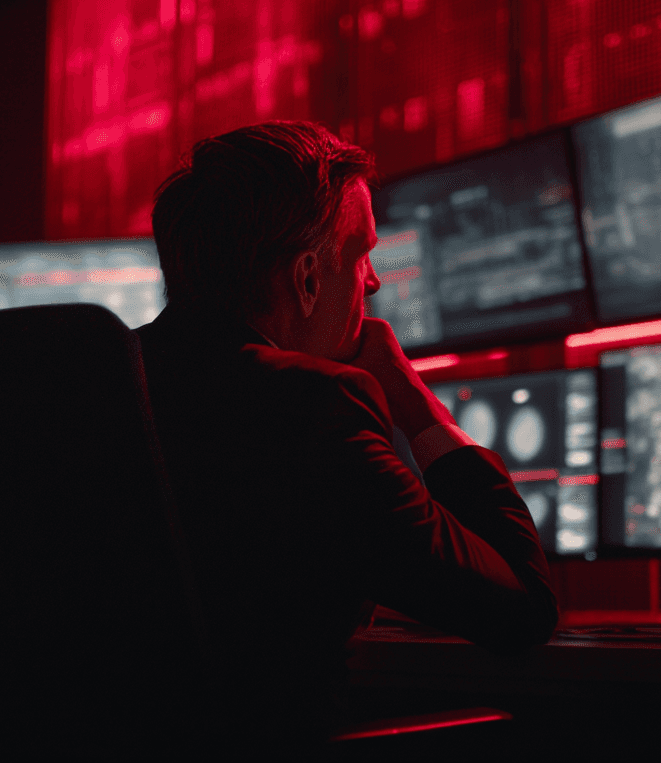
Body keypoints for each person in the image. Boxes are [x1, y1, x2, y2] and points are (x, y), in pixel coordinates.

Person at [136, 121, 558, 745]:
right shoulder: (314, 405)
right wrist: (413, 404)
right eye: (362, 253)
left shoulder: (98, 392)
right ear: (307, 278)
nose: (374, 282)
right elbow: (520, 608)